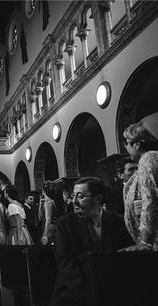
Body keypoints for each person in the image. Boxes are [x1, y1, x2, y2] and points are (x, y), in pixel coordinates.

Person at [50, 177, 133, 306]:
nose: (74, 202)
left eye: (81, 197)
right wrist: (92, 294)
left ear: (98, 199)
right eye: (73, 196)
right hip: (74, 291)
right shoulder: (65, 224)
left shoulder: (119, 222)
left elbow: (125, 261)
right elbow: (67, 266)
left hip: (112, 288)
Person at [121, 113, 158, 251]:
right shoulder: (143, 166)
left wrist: (144, 242)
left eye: (126, 142)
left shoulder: (148, 158)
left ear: (137, 144)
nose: (125, 147)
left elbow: (150, 201)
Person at [40, 181, 59, 245]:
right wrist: (40, 204)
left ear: (43, 191)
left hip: (49, 228)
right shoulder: (47, 201)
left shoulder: (48, 202)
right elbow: (40, 217)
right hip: (48, 226)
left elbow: (48, 219)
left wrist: (45, 234)